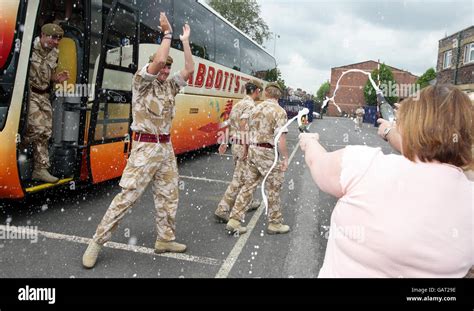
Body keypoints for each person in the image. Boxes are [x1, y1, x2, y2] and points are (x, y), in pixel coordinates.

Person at [299, 84, 473, 277]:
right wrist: (392, 132)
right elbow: (431, 153)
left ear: (411, 124)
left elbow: (318, 162)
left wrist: (310, 141)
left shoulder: (364, 164)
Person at [82, 13, 195, 268]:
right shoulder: (142, 82)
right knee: (127, 197)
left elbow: (188, 69)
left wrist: (185, 41)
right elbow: (154, 65)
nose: (165, 70)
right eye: (162, 66)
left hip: (165, 147)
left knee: (168, 196)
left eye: (168, 66)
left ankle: (165, 240)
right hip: (145, 147)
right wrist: (166, 35)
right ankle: (97, 242)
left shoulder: (170, 86)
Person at [226, 82, 290, 235]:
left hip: (253, 150)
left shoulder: (255, 108)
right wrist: (285, 158)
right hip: (267, 153)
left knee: (248, 186)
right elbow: (281, 138)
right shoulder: (279, 112)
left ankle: (234, 220)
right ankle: (275, 223)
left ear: (266, 93)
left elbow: (245, 129)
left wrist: (247, 150)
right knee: (273, 188)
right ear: (278, 95)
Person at [22, 23, 69, 183]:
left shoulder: (54, 53)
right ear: (42, 35)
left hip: (44, 95)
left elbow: (47, 74)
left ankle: (40, 169)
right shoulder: (28, 47)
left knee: (46, 132)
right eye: (53, 37)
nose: (56, 42)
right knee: (37, 129)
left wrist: (56, 78)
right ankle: (16, 150)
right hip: (30, 94)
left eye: (59, 38)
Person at [214, 80, 263, 223]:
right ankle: (222, 209)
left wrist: (224, 142)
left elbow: (230, 125)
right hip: (243, 145)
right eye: (259, 91)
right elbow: (243, 125)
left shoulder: (238, 105)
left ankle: (249, 202)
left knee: (246, 176)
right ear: (256, 91)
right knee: (240, 179)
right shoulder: (250, 106)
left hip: (235, 145)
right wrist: (247, 147)